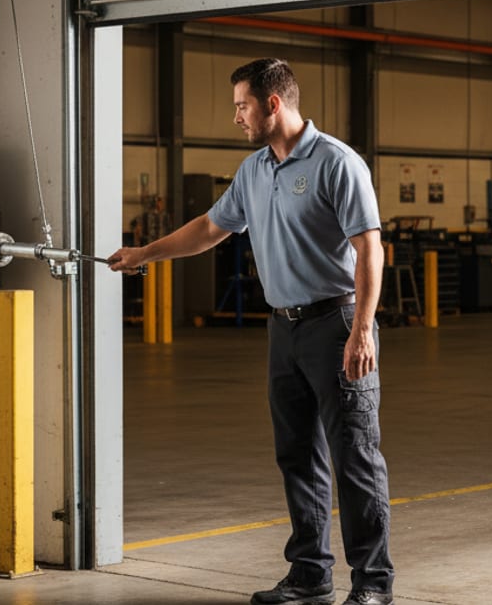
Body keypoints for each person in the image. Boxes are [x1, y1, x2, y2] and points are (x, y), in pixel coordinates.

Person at [108, 58, 395, 605]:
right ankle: (310, 575)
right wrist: (145, 252)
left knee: (354, 454)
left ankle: (373, 585)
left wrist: (363, 330)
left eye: (241, 105)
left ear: (272, 104)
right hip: (283, 331)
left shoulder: (337, 163)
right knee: (297, 455)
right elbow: (211, 228)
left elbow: (369, 250)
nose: (235, 116)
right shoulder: (254, 170)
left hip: (336, 324)